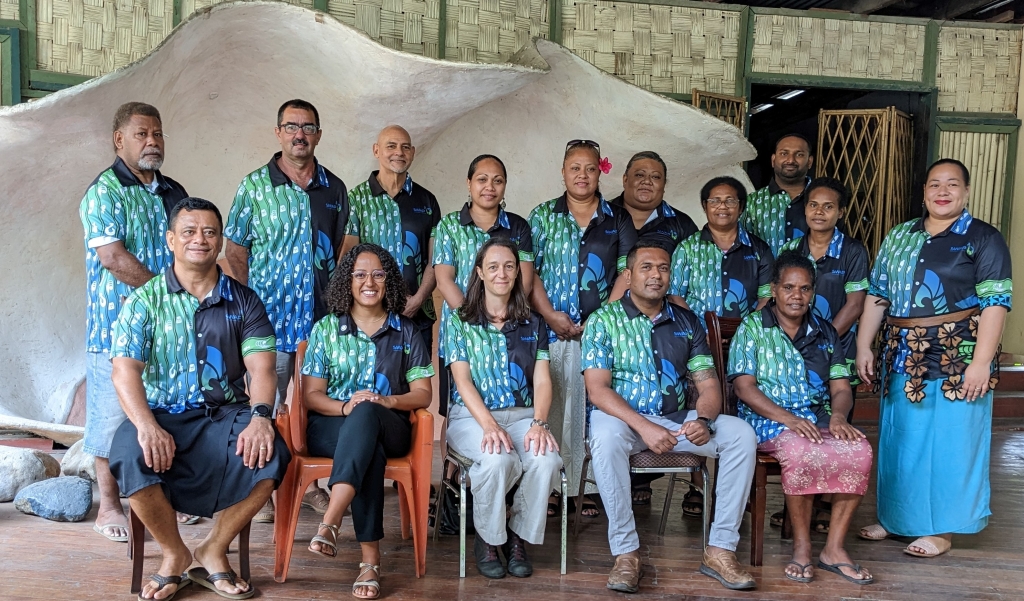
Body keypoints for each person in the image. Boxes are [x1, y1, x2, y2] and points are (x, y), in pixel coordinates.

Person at [108, 198, 290, 601]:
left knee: (274, 451)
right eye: (189, 232)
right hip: (161, 414)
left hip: (224, 414)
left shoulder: (244, 301)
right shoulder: (144, 301)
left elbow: (261, 368)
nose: (200, 240)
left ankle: (213, 548)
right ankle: (173, 554)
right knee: (126, 451)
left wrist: (261, 417)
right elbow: (124, 372)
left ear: (220, 240)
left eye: (209, 232)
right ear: (171, 240)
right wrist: (146, 425)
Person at [856, 159, 1012, 558]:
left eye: (953, 184)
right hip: (904, 353)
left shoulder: (983, 237)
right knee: (902, 440)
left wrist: (981, 362)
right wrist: (863, 344)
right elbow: (879, 294)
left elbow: (995, 303)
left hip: (959, 354)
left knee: (952, 442)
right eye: (935, 185)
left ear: (967, 190)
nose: (943, 192)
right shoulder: (899, 235)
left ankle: (943, 529)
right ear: (924, 192)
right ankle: (897, 520)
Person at [582, 241, 758, 593]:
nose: (656, 275)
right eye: (646, 267)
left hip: (677, 418)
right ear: (628, 275)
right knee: (603, 435)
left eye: (663, 268)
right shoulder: (604, 320)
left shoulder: (686, 321)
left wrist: (704, 421)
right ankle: (626, 553)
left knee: (741, 435)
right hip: (623, 423)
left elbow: (708, 385)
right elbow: (597, 390)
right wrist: (643, 425)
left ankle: (720, 550)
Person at [225, 99, 349, 521]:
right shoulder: (254, 186)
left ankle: (309, 484)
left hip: (318, 325)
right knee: (266, 407)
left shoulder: (335, 189)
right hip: (268, 324)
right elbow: (235, 250)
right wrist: (247, 307)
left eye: (308, 127)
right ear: (278, 132)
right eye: (292, 126)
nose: (300, 134)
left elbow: (335, 255)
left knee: (313, 407)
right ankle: (262, 492)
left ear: (318, 133)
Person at [79, 101, 190, 543]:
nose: (152, 142)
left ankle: (166, 502)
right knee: (109, 417)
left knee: (166, 412)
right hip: (114, 326)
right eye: (142, 134)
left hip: (169, 329)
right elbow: (113, 258)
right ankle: (109, 506)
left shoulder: (173, 192)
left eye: (158, 134)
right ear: (118, 139)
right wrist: (165, 294)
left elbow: (189, 246)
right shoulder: (103, 191)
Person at [730, 250, 874, 585]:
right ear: (774, 289)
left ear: (813, 292)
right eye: (789, 287)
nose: (797, 295)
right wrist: (788, 419)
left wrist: (838, 416)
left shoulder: (825, 332)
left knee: (860, 450)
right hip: (766, 418)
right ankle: (802, 547)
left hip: (817, 418)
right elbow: (744, 388)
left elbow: (840, 387)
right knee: (801, 450)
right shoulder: (752, 328)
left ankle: (834, 549)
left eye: (805, 288)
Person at [303, 244, 434, 600]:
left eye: (378, 274)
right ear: (347, 281)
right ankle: (369, 561)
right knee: (367, 447)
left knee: (369, 416)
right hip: (332, 424)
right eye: (359, 274)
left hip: (390, 424)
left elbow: (423, 393)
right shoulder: (327, 329)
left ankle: (331, 520)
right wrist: (347, 407)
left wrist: (388, 400)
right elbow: (311, 396)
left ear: (388, 280)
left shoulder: (406, 331)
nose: (369, 282)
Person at [529, 139, 638, 518]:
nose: (582, 175)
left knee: (594, 408)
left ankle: (588, 487)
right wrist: (549, 315)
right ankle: (555, 486)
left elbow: (627, 271)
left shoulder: (617, 218)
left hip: (600, 331)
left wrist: (601, 317)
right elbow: (531, 273)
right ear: (563, 172)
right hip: (551, 328)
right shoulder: (542, 216)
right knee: (556, 404)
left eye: (590, 168)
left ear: (599, 172)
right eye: (574, 168)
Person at [444, 238, 562, 579]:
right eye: (493, 266)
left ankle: (516, 537)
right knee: (497, 459)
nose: (502, 273)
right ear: (480, 272)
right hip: (471, 417)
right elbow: (462, 382)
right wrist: (489, 426)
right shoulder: (460, 320)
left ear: (517, 272)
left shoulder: (534, 324)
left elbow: (542, 381)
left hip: (524, 416)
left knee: (546, 459)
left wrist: (540, 422)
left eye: (509, 266)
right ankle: (488, 538)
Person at [777, 177, 869, 532]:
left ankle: (825, 507)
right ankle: (800, 508)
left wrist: (821, 338)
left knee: (832, 424)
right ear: (805, 210)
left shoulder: (853, 251)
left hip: (835, 352)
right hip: (791, 354)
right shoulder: (791, 249)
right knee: (800, 428)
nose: (820, 212)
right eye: (814, 205)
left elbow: (856, 303)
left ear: (840, 212)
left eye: (828, 206)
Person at [434, 154, 534, 418]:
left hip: (508, 330)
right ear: (469, 183)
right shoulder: (449, 225)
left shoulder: (518, 226)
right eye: (482, 179)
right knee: (456, 407)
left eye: (497, 181)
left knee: (509, 405)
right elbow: (444, 279)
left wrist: (496, 321)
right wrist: (474, 321)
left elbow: (524, 281)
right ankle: (453, 460)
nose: (490, 187)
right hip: (461, 330)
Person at [342, 125, 441, 353]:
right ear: (376, 150)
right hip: (368, 316)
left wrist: (418, 299)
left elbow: (435, 259)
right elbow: (348, 258)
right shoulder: (356, 199)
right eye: (391, 146)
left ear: (413, 152)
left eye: (405, 147)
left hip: (417, 316)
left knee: (418, 385)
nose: (399, 152)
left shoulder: (427, 201)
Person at [669, 176, 773, 325]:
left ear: (741, 207)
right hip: (698, 340)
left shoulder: (759, 250)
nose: (722, 206)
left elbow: (766, 298)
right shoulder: (687, 248)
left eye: (730, 201)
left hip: (745, 340)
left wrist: (746, 334)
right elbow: (675, 296)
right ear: (705, 206)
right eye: (715, 201)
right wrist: (700, 334)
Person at [609, 151, 697, 254]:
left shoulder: (682, 224)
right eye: (639, 175)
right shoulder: (600, 214)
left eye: (655, 177)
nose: (647, 181)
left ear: (664, 185)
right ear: (625, 180)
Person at [742, 133, 814, 256]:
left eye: (799, 154)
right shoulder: (752, 202)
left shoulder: (824, 201)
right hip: (765, 275)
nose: (791, 160)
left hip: (815, 275)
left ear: (809, 162)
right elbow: (743, 249)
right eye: (784, 153)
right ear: (773, 160)